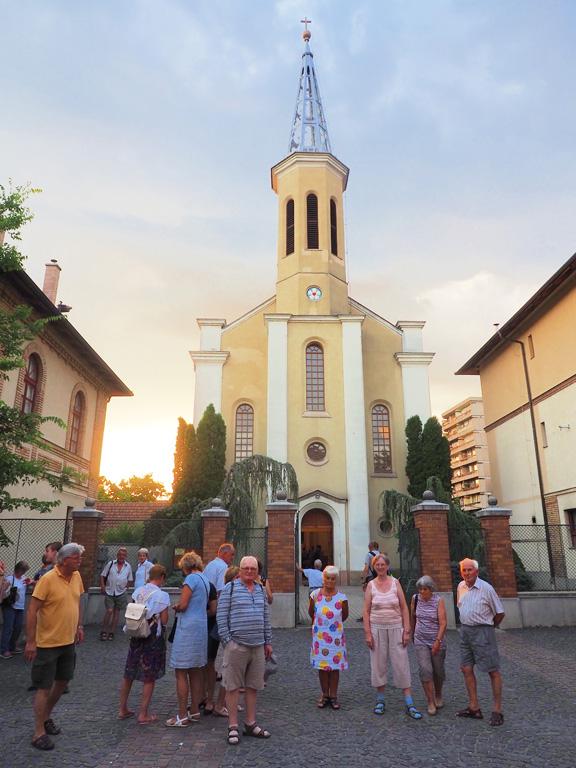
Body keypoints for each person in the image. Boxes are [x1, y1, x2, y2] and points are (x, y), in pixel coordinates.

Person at [24, 543, 85, 751]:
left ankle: (46, 717)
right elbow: (32, 610)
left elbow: (77, 602)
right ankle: (38, 732)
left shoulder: (76, 576)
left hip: (68, 642)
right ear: (65, 560)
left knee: (63, 682)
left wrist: (79, 626)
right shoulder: (47, 579)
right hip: (47, 644)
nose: (80, 561)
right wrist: (31, 641)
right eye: (76, 558)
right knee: (44, 686)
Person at [216, 555, 272, 746]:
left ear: (257, 572)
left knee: (253, 686)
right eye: (246, 568)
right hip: (236, 646)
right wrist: (228, 642)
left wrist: (268, 641)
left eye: (253, 569)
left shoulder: (260, 589)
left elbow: (266, 616)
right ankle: (233, 726)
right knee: (232, 687)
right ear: (239, 570)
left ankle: (250, 723)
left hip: (258, 646)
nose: (249, 571)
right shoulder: (230, 589)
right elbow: (221, 617)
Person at [363, 553, 422, 719]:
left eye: (383, 564)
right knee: (378, 664)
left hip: (396, 627)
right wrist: (368, 633)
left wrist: (407, 629)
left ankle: (409, 702)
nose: (380, 567)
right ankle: (380, 699)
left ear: (387, 566)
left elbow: (404, 607)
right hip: (376, 628)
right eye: (377, 565)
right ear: (374, 567)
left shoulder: (395, 583)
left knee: (401, 663)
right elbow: (366, 611)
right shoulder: (371, 585)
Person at [166, 551, 215, 727]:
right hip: (201, 627)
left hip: (187, 628)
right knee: (195, 671)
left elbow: (184, 604)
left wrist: (176, 607)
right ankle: (194, 710)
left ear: (185, 566)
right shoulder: (205, 580)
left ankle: (181, 715)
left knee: (180, 671)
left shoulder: (191, 579)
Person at [118, 564, 171, 724]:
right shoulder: (162, 595)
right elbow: (164, 620)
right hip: (152, 636)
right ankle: (143, 714)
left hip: (136, 633)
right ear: (162, 577)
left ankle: (122, 709)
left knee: (129, 672)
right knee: (149, 675)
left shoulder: (138, 591)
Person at [456, 557, 505, 726]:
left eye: (469, 569)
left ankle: (497, 710)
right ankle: (474, 707)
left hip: (483, 631)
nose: (467, 573)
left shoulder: (486, 588)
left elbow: (500, 613)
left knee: (493, 670)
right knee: (466, 668)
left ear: (476, 571)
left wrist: (489, 627)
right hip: (465, 631)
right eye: (464, 570)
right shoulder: (460, 586)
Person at [309, 565, 349, 710]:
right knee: (322, 667)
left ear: (336, 580)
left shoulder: (342, 598)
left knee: (334, 668)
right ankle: (324, 694)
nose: (330, 581)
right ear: (323, 578)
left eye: (333, 579)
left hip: (336, 638)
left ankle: (333, 695)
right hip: (320, 638)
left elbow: (344, 616)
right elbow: (311, 613)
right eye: (327, 578)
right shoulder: (314, 595)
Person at [202, 542, 235, 714]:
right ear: (223, 553)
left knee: (209, 659)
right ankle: (220, 702)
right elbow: (221, 594)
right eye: (231, 554)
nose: (232, 558)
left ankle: (206, 698)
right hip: (218, 616)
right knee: (224, 660)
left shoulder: (209, 565)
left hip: (207, 613)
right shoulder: (222, 567)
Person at [410, 575, 447, 715]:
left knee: (438, 671)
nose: (422, 592)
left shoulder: (438, 600)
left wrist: (438, 641)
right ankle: (430, 701)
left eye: (425, 589)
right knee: (425, 670)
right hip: (420, 639)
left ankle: (438, 694)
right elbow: (413, 617)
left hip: (437, 640)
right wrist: (411, 633)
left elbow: (443, 623)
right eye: (420, 589)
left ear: (431, 589)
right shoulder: (415, 599)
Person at [100, 546, 133, 641]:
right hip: (109, 591)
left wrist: (125, 588)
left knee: (116, 612)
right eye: (120, 554)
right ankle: (103, 631)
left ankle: (112, 632)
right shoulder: (110, 564)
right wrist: (103, 586)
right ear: (117, 555)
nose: (121, 556)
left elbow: (130, 579)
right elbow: (102, 575)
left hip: (121, 593)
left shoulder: (128, 566)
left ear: (126, 556)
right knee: (109, 611)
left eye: (123, 555)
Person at [1, 560, 30, 658]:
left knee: (18, 627)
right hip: (10, 606)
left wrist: (30, 582)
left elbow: (30, 585)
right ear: (19, 570)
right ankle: (3, 650)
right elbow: (2, 592)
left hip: (20, 607)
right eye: (23, 570)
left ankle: (12, 646)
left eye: (25, 571)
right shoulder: (10, 579)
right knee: (8, 628)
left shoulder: (24, 578)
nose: (24, 572)